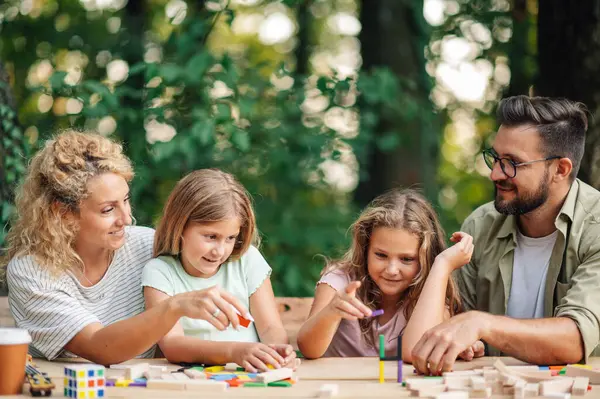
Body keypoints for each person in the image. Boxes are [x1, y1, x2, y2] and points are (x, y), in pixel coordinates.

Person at [2, 131, 246, 364]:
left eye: (126, 201)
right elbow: (99, 346)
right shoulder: (31, 272)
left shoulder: (147, 246)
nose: (126, 219)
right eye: (108, 209)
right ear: (64, 213)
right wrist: (174, 306)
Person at [412, 95, 600, 374]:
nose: (495, 174)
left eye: (512, 162)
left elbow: (575, 340)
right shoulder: (480, 225)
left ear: (560, 169)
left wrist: (481, 324)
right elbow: (451, 315)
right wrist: (460, 337)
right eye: (496, 159)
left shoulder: (594, 229)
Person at [296, 189, 482, 362]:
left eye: (407, 259)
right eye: (381, 255)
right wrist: (332, 312)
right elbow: (308, 349)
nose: (392, 270)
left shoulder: (430, 293)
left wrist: (443, 265)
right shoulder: (339, 281)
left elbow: (414, 353)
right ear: (366, 248)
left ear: (426, 259)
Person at [141, 169, 296, 372]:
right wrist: (235, 352)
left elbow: (270, 327)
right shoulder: (159, 272)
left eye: (230, 238)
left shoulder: (247, 260)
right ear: (180, 227)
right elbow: (172, 344)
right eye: (211, 236)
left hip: (249, 376)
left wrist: (277, 351)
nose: (219, 251)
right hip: (191, 381)